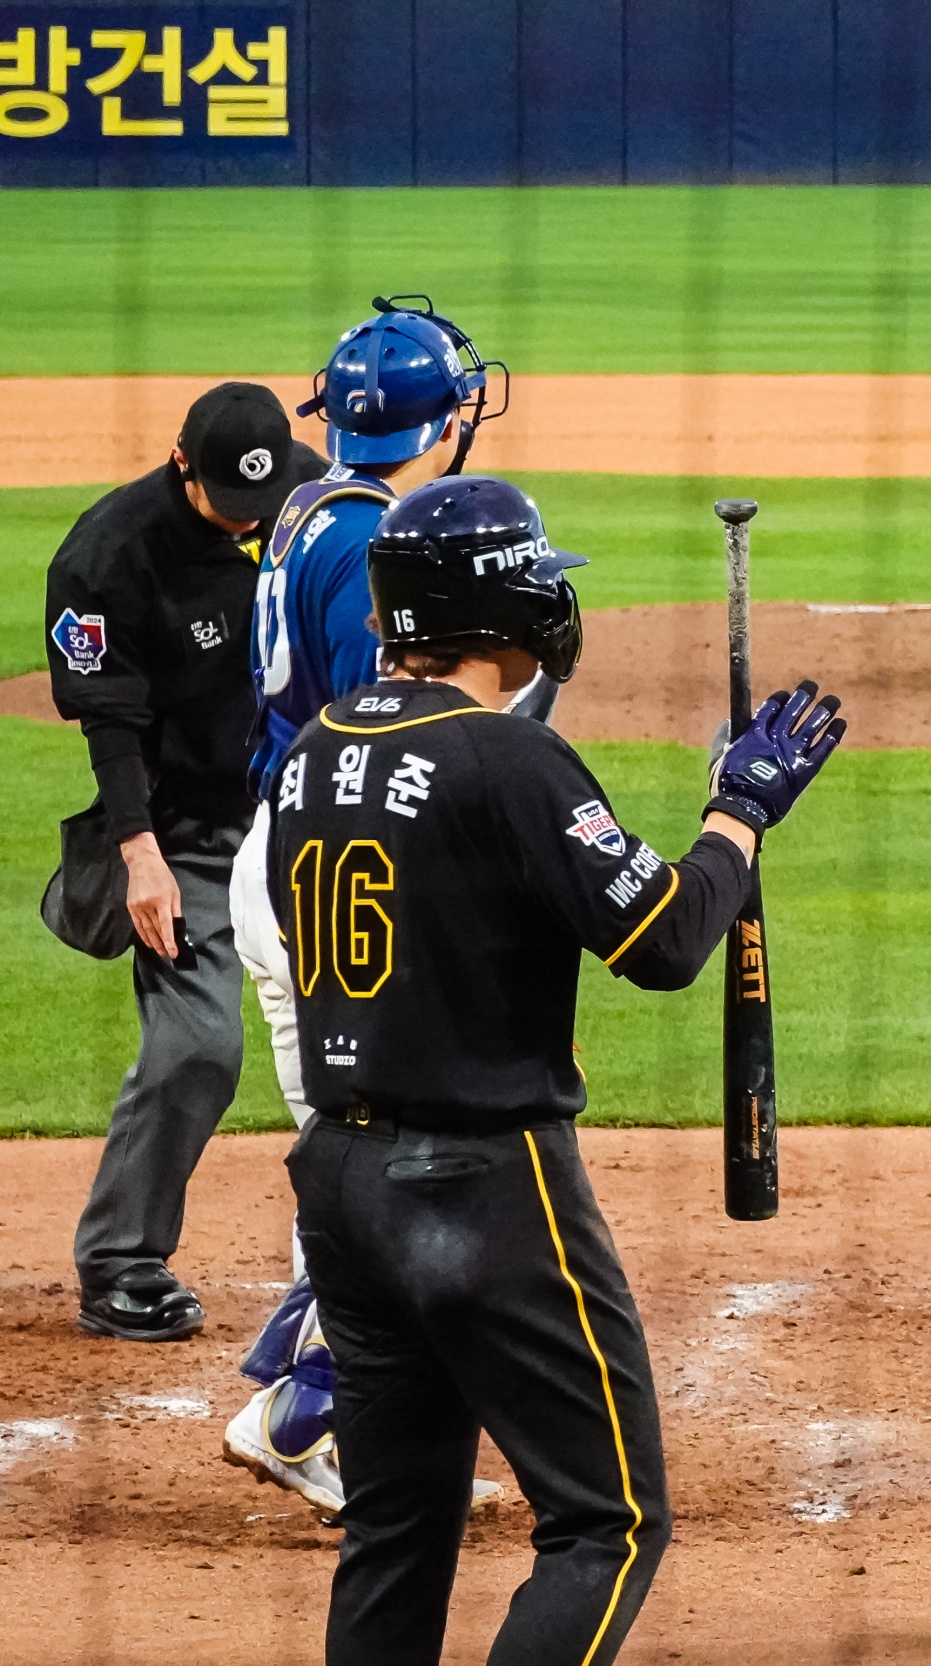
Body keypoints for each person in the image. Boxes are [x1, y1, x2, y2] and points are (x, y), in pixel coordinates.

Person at [266, 474, 845, 1664]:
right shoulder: (510, 759)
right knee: (608, 1523)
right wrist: (739, 812)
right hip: (481, 1190)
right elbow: (666, 939)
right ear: (498, 607)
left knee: (395, 1528)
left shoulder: (316, 751)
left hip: (340, 1185)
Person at [220, 295, 534, 1517]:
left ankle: (314, 1392)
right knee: (390, 1171)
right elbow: (383, 732)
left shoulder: (314, 501)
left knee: (362, 1157)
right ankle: (300, 1411)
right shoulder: (372, 545)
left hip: (298, 850)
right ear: (444, 422)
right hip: (334, 870)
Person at [41, 381, 324, 1342]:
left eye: (261, 501)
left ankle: (390, 1242)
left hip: (310, 820)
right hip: (188, 834)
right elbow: (111, 718)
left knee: (377, 1029)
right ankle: (122, 1260)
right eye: (227, 502)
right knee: (199, 1044)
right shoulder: (108, 555)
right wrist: (139, 853)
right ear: (180, 463)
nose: (248, 519)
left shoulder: (311, 499)